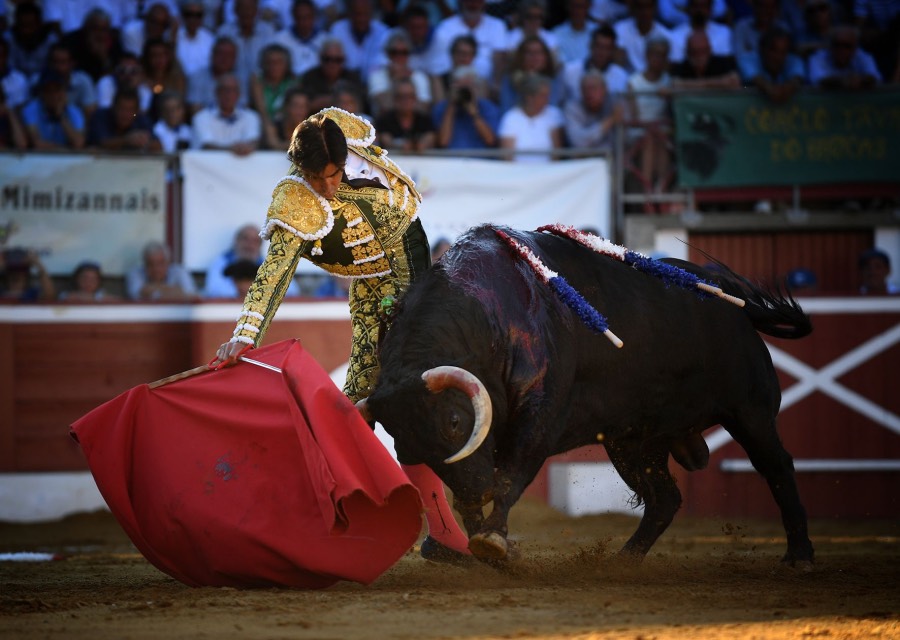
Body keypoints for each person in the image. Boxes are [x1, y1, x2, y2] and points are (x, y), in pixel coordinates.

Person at [210, 107, 473, 565]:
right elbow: (274, 273)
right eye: (320, 178)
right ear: (303, 169)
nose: (329, 186)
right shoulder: (295, 198)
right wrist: (245, 335)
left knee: (401, 395)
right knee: (363, 399)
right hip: (371, 278)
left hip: (408, 260)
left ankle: (435, 528)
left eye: (335, 174)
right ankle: (410, 526)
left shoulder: (338, 133)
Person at [203, 223, 300, 298]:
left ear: (260, 245)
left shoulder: (272, 264)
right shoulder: (221, 262)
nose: (249, 245)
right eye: (245, 239)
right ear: (236, 241)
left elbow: (292, 291)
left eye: (255, 241)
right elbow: (214, 290)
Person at [498, 72, 565, 163]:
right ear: (529, 98)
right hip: (519, 174)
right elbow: (508, 157)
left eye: (548, 95)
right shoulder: (511, 118)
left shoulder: (554, 114)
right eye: (543, 96)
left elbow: (556, 154)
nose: (547, 99)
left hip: (548, 173)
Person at [433, 64, 500, 150]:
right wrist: (451, 107)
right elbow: (443, 142)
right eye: (461, 88)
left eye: (468, 88)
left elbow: (490, 140)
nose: (464, 92)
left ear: (476, 88)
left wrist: (474, 113)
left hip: (480, 160)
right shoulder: (441, 108)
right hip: (450, 160)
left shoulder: (488, 108)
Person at [191, 73, 262, 154]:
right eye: (225, 90)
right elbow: (207, 146)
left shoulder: (251, 117)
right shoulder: (201, 117)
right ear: (216, 92)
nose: (229, 94)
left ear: (239, 94)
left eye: (233, 90)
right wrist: (233, 150)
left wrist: (247, 148)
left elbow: (253, 142)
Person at [21, 69, 86, 151]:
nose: (53, 95)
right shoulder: (31, 109)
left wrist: (61, 115)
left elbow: (78, 143)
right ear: (41, 93)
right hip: (38, 160)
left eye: (57, 90)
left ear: (64, 92)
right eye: (48, 90)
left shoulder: (74, 111)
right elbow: (37, 143)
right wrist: (64, 149)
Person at [739, 27, 806, 104]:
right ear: (762, 49)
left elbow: (797, 79)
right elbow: (756, 78)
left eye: (783, 52)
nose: (778, 57)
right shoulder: (748, 59)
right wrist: (770, 89)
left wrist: (789, 88)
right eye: (773, 50)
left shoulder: (793, 60)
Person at [563, 69, 623, 152]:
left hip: (612, 159)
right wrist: (610, 120)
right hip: (584, 160)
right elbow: (578, 142)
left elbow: (625, 140)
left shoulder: (615, 104)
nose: (589, 93)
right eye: (585, 89)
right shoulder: (572, 107)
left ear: (605, 89)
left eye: (593, 88)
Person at [86, 87, 162, 151]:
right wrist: (126, 140)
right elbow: (101, 142)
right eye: (122, 109)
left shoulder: (140, 118)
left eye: (130, 110)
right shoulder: (101, 116)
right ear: (114, 107)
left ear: (136, 111)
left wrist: (145, 141)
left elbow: (158, 146)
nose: (125, 114)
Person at [807, 24, 882, 89]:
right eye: (837, 45)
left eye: (847, 46)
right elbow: (818, 80)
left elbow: (875, 78)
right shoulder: (817, 58)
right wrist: (843, 81)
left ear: (855, 47)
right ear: (830, 46)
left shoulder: (863, 56)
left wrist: (861, 80)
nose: (841, 50)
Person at [375, 78, 437, 151]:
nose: (406, 101)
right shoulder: (385, 120)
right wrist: (400, 146)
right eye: (402, 97)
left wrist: (422, 144)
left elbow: (431, 137)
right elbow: (386, 141)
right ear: (395, 99)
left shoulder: (424, 120)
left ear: (415, 98)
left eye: (410, 96)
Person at [270, 0, 327, 77]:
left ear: (314, 17)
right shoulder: (280, 39)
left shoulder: (326, 40)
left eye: (307, 17)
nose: (303, 22)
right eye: (299, 17)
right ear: (293, 17)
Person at [126, 240, 198, 301]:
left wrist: (153, 290)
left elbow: (192, 296)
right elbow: (136, 294)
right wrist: (175, 291)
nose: (156, 269)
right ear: (144, 265)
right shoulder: (135, 273)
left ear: (168, 263)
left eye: (160, 264)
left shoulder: (179, 272)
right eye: (150, 264)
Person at [670, 29, 741, 90]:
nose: (699, 56)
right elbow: (674, 84)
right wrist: (719, 82)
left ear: (709, 50)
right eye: (695, 52)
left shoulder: (723, 63)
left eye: (703, 51)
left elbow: (735, 81)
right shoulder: (681, 67)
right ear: (688, 52)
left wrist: (690, 84)